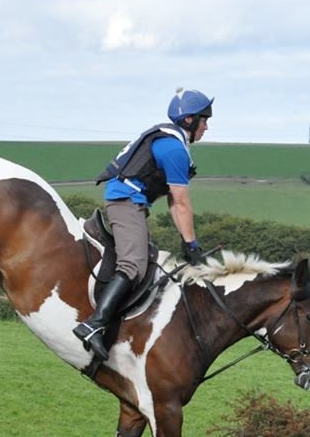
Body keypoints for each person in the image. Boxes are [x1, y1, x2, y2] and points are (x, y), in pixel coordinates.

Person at [74, 87, 214, 361]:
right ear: (189, 120)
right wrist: (192, 246)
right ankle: (94, 324)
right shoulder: (174, 149)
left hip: (130, 201)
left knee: (147, 262)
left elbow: (173, 203)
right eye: (204, 120)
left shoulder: (169, 140)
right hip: (126, 201)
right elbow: (181, 203)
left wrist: (189, 243)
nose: (206, 127)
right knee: (133, 265)